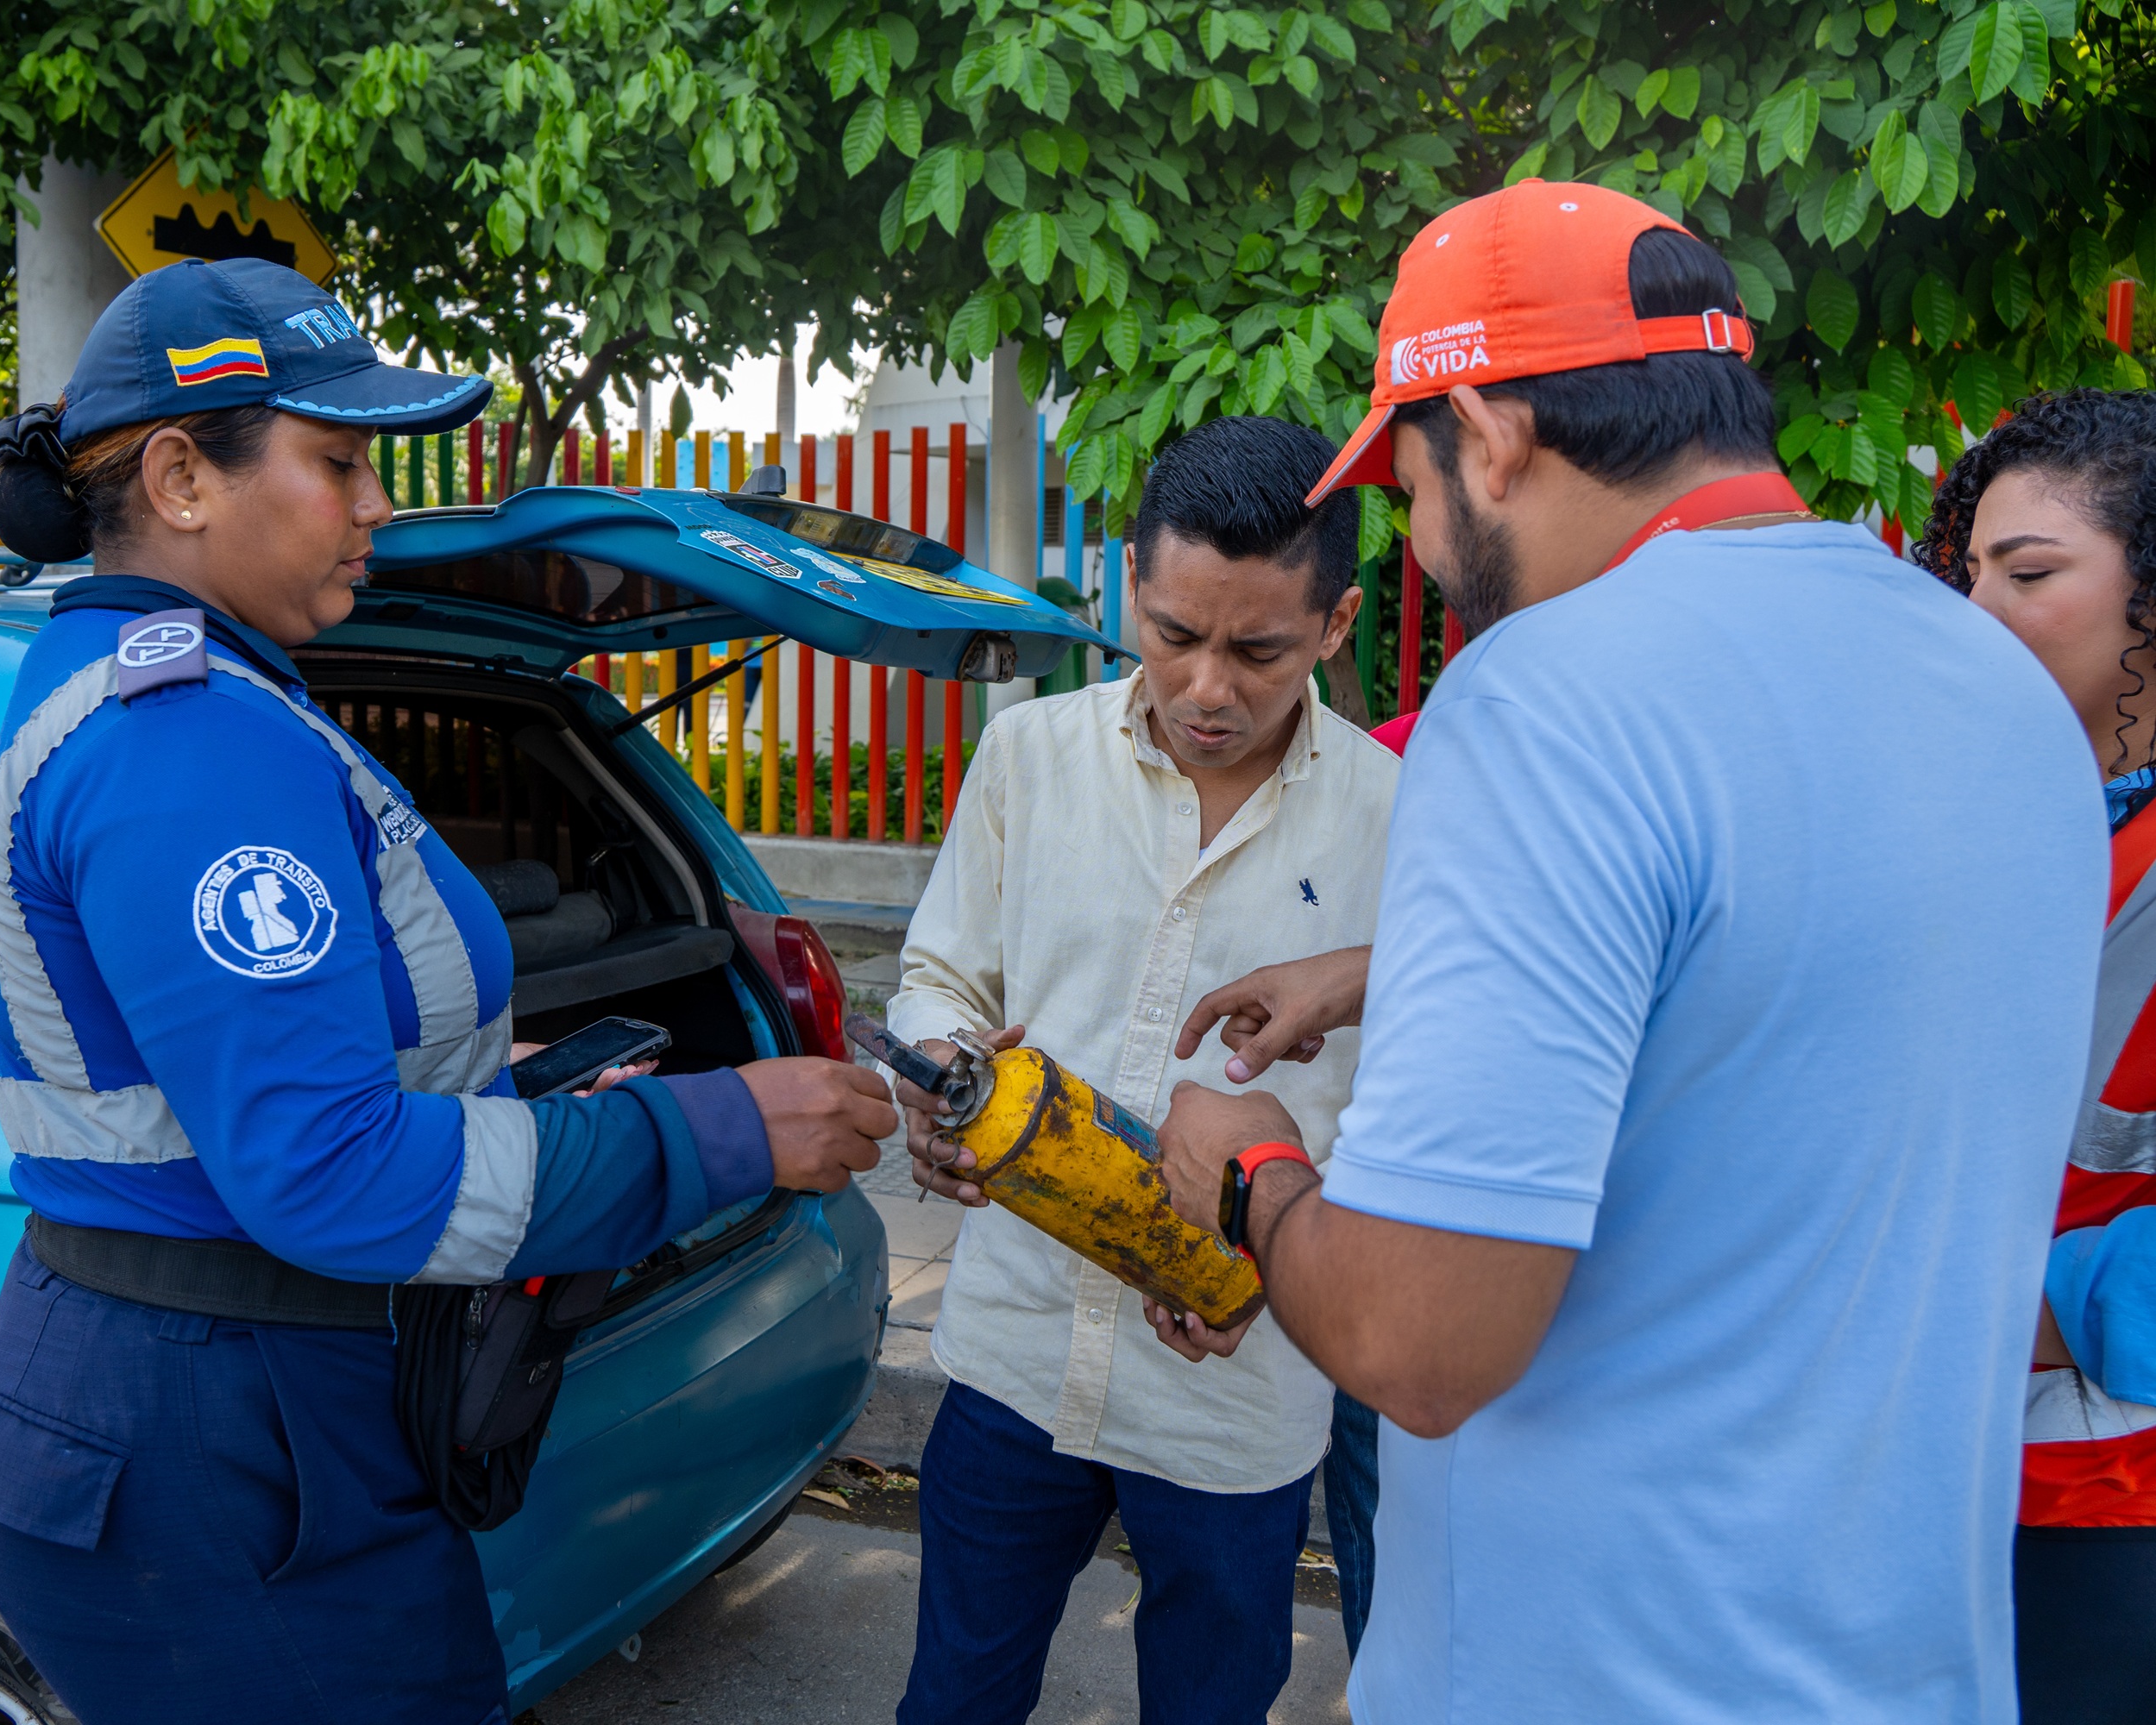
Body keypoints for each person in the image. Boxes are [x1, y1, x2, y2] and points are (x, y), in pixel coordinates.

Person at [1149, 180, 2108, 1722]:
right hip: (1917, 1670)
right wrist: (1376, 973)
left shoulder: (1547, 695)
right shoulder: (2002, 692)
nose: (1425, 543)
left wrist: (1251, 1169)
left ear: (1490, 434)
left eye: (1411, 486)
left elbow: (1420, 1337)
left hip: (1603, 1673)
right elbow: (1775, 992)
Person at [0, 256, 895, 1725]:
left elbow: (288, 1064)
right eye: (338, 463)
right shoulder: (188, 740)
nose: (378, 503)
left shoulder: (186, 694)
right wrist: (731, 1131)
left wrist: (503, 1085)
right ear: (183, 478)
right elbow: (328, 1171)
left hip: (225, 1405)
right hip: (215, 1440)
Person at [887, 414, 1398, 1723]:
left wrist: (1286, 1259)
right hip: (1013, 1353)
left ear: (1335, 625)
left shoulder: (1404, 818)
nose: (1207, 688)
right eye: (1173, 634)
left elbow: (1416, 1119)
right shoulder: (1029, 757)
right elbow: (943, 977)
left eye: (1258, 650)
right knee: (954, 1699)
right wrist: (936, 1076)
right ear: (1129, 584)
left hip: (1238, 1394)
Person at [1915, 387, 2156, 1723]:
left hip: (2107, 1502)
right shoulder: (2017, 808)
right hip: (1950, 1464)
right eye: (1970, 573)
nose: (1979, 612)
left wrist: (2028, 1307)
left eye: (2030, 573)